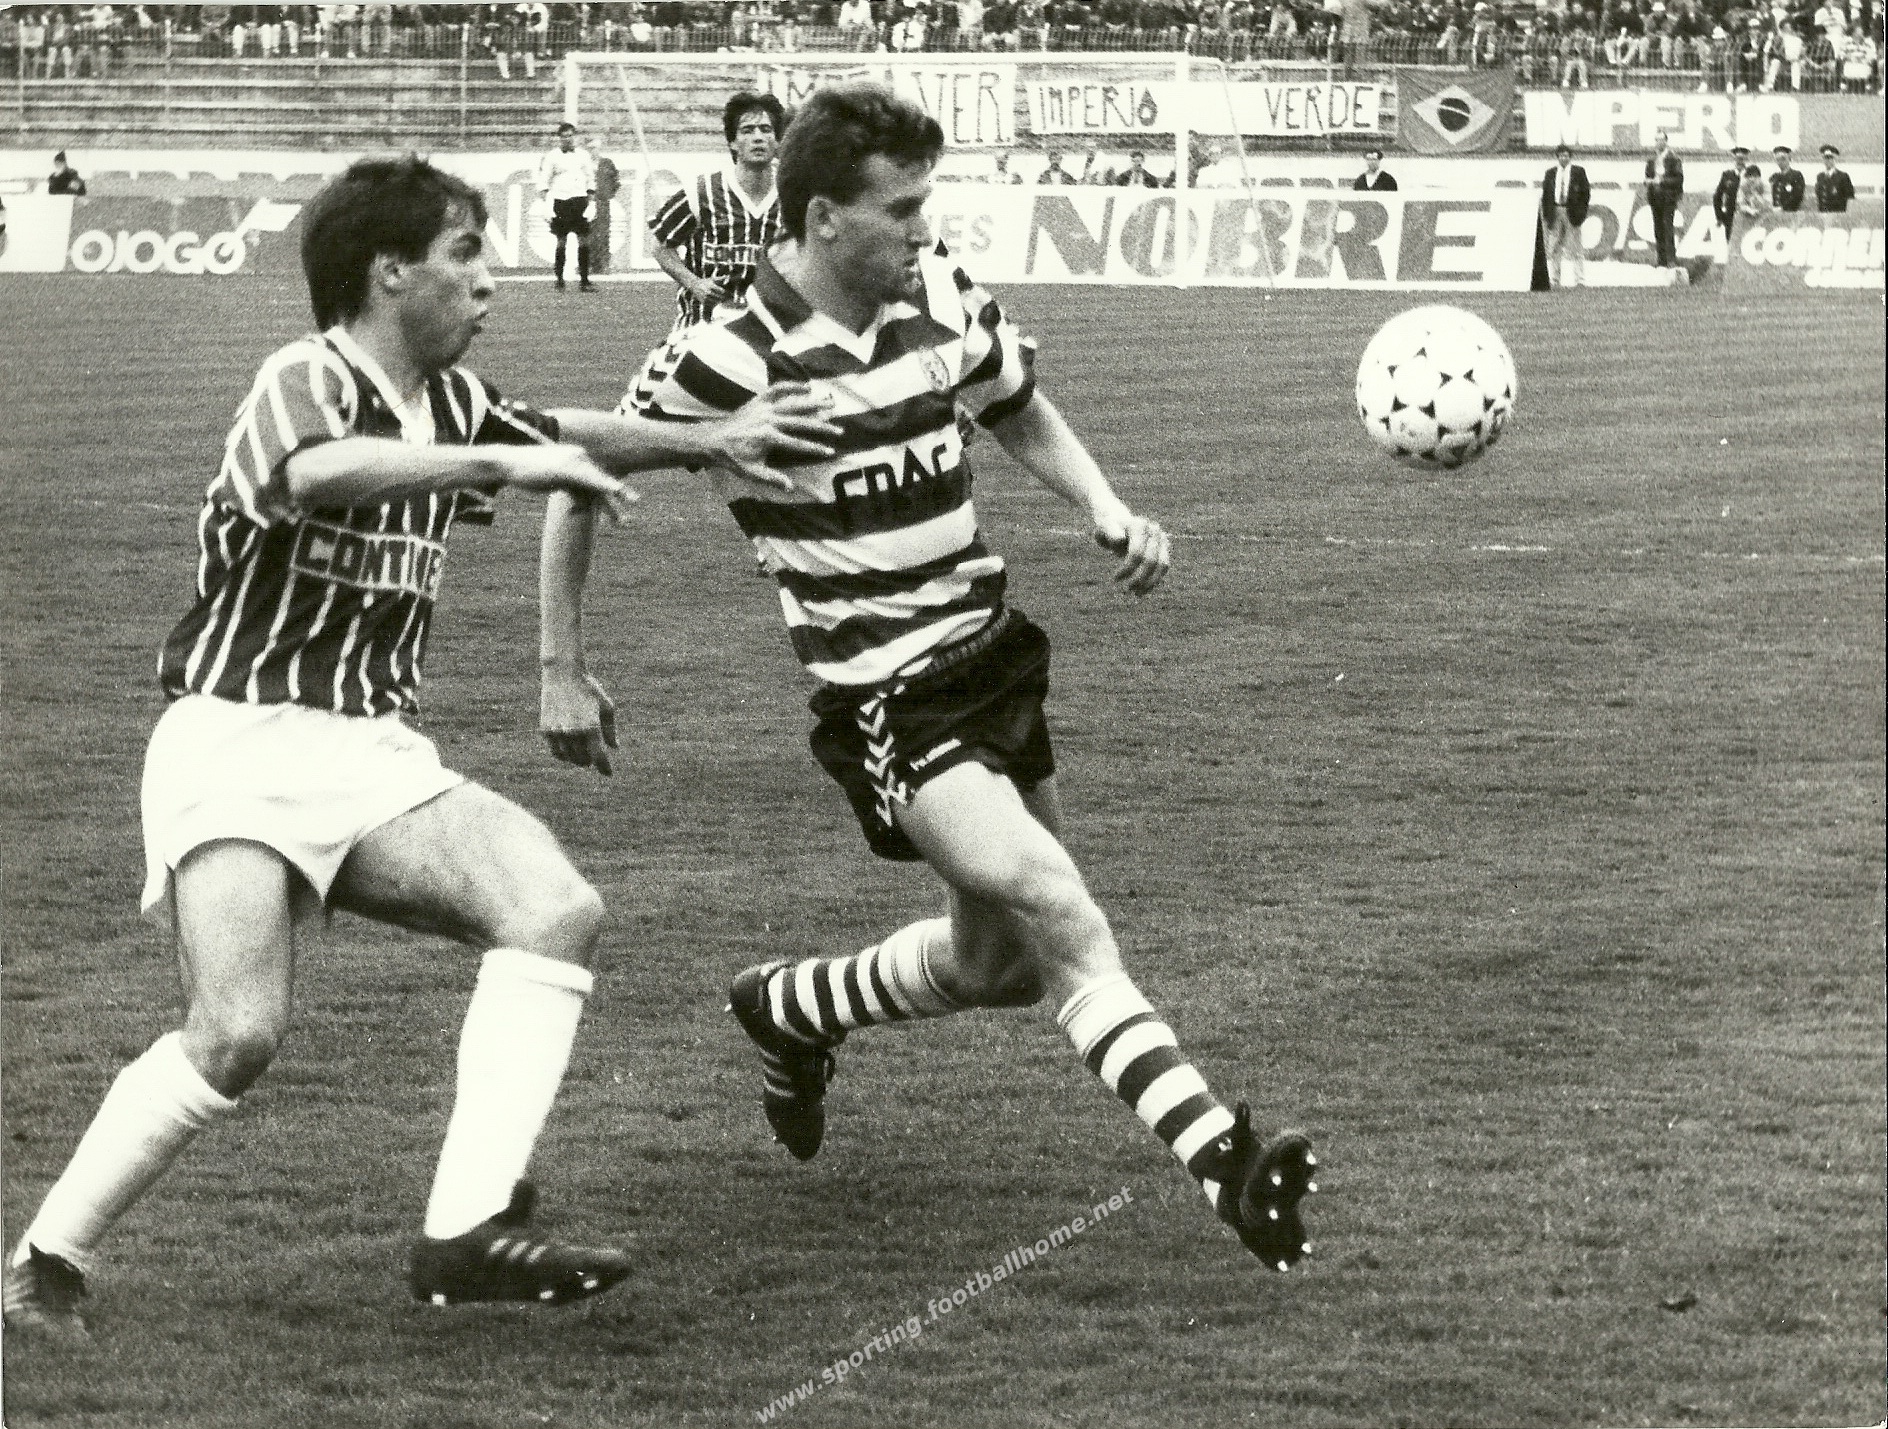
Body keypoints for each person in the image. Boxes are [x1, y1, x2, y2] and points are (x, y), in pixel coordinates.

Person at [0, 154, 838, 1341]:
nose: (488, 281)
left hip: (370, 752)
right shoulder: (306, 375)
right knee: (236, 1034)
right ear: (388, 271)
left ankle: (464, 1229)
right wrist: (504, 461)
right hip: (236, 741)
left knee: (553, 906)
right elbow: (313, 472)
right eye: (464, 254)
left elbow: (566, 432)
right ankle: (42, 1267)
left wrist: (714, 437)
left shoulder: (451, 401)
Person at [546, 83, 1319, 1273]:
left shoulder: (942, 292)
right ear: (821, 219)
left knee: (997, 968)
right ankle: (1225, 1163)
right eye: (900, 210)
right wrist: (562, 665)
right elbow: (571, 467)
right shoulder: (727, 356)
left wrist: (1105, 504)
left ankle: (789, 1007)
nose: (924, 229)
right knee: (1060, 907)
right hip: (886, 701)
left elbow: (1018, 408)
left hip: (992, 657)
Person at [622, 91, 788, 414]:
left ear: (777, 140)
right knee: (652, 422)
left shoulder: (793, 197)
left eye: (766, 130)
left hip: (767, 337)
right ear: (732, 143)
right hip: (701, 334)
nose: (758, 137)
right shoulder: (703, 192)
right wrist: (694, 283)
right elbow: (661, 245)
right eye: (747, 130)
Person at [537, 121, 597, 292]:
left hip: (579, 200)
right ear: (559, 138)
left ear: (574, 137)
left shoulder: (583, 155)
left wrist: (591, 202)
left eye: (570, 136)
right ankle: (559, 279)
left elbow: (590, 178)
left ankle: (584, 280)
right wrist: (546, 204)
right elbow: (544, 180)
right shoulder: (552, 156)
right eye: (564, 137)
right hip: (561, 201)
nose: (567, 139)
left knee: (583, 240)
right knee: (561, 241)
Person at [1540, 142, 1591, 289]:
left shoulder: (1578, 172)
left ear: (1570, 157)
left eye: (1566, 155)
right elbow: (1546, 195)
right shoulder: (1550, 173)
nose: (1564, 158)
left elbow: (1586, 194)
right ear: (1557, 157)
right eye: (1561, 155)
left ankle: (1580, 280)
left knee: (1576, 247)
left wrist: (1581, 213)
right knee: (1555, 247)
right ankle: (1555, 280)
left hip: (1571, 212)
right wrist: (1547, 214)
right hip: (1556, 211)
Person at [1643, 128, 1683, 267]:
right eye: (1656, 140)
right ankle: (1661, 260)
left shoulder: (1673, 159)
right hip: (1655, 198)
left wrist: (1662, 181)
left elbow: (1678, 179)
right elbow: (1648, 175)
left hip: (1668, 198)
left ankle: (1671, 260)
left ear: (1666, 141)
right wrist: (1648, 181)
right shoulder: (1651, 160)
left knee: (1668, 228)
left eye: (1661, 140)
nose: (1658, 142)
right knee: (1658, 229)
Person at [1713, 142, 1750, 242]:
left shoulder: (1752, 175)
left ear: (1747, 159)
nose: (1740, 162)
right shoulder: (1727, 175)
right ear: (1734, 158)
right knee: (1731, 243)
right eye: (1738, 158)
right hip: (1730, 217)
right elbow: (1717, 196)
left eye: (1742, 159)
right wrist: (1719, 216)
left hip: (1748, 217)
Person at [1814, 143, 1854, 212]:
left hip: (1837, 214)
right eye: (1825, 158)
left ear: (1835, 159)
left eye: (1830, 158)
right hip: (1822, 213)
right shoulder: (1820, 176)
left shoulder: (1843, 176)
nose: (1828, 161)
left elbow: (1850, 198)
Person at [1768, 144, 1805, 212]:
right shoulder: (1774, 177)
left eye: (1783, 159)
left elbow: (1797, 196)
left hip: (1790, 212)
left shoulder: (1796, 175)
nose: (1780, 162)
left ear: (1789, 159)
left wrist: (1783, 208)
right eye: (1777, 159)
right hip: (1775, 212)